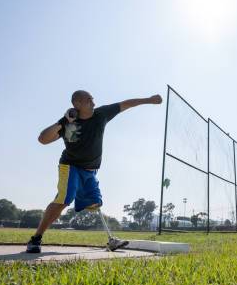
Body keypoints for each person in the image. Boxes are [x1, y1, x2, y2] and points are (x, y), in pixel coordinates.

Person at [26, 90, 162, 253]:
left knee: (95, 203)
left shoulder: (101, 114)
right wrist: (64, 121)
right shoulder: (68, 123)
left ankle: (111, 240)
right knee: (64, 199)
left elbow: (125, 104)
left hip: (90, 171)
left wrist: (149, 100)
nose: (93, 103)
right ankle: (36, 239)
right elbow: (43, 139)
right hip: (70, 166)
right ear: (77, 104)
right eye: (89, 100)